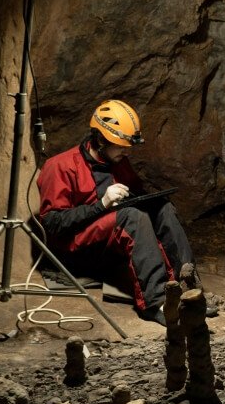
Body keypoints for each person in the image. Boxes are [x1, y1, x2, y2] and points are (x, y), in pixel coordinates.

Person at [36, 99, 196, 326]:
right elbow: (52, 224)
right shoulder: (60, 166)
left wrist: (148, 202)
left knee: (163, 208)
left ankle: (189, 289)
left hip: (113, 244)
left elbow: (136, 196)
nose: (126, 151)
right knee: (133, 217)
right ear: (101, 139)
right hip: (78, 253)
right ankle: (156, 302)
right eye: (120, 145)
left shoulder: (118, 161)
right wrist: (102, 204)